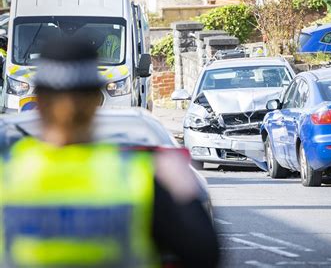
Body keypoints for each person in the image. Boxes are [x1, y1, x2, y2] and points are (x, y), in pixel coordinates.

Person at [0, 37, 219, 268]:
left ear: (39, 100)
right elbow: (203, 254)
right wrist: (182, 187)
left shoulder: (7, 172)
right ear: (96, 99)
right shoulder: (138, 174)